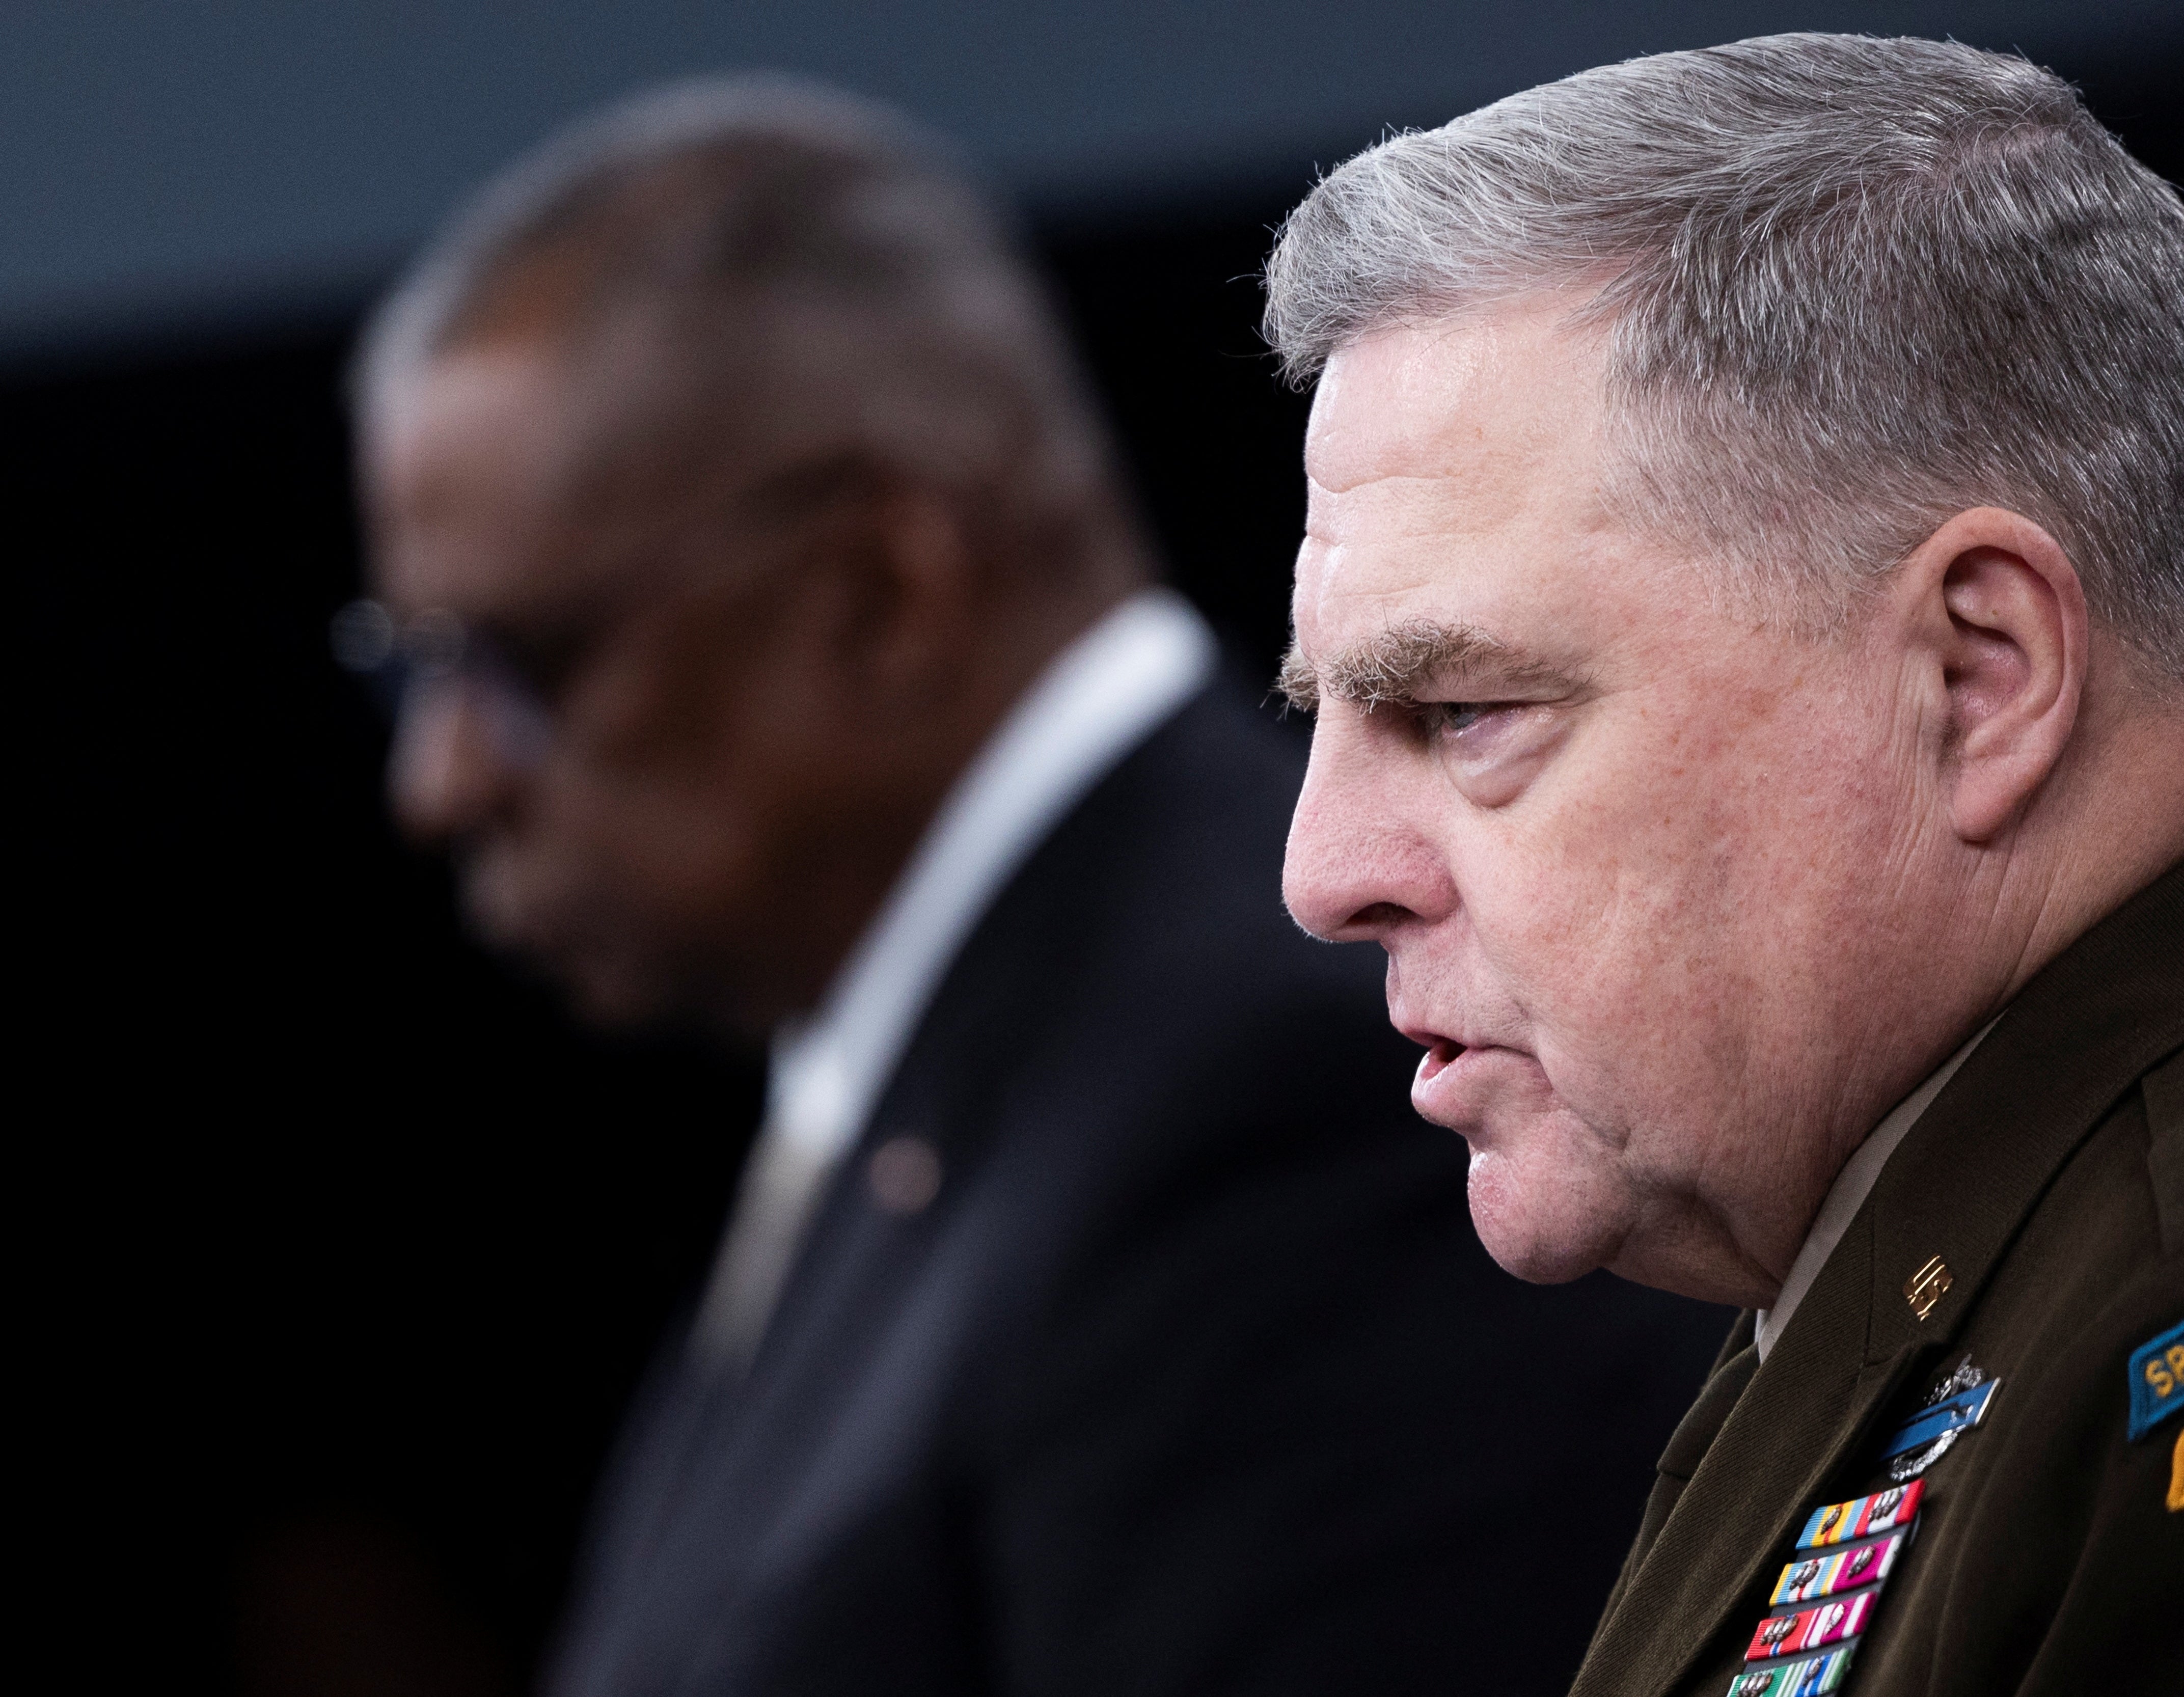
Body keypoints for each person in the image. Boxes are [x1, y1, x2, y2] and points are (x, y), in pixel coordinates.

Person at [347, 77, 1729, 1697]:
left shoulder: (1280, 1100)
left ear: (880, 592)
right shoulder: (946, 1079)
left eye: (515, 664)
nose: (438, 781)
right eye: (412, 667)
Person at [1265, 33, 2184, 1696]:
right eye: (1324, 716)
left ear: (1976, 678)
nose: (1322, 870)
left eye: (1464, 709)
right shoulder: (1971, 1251)